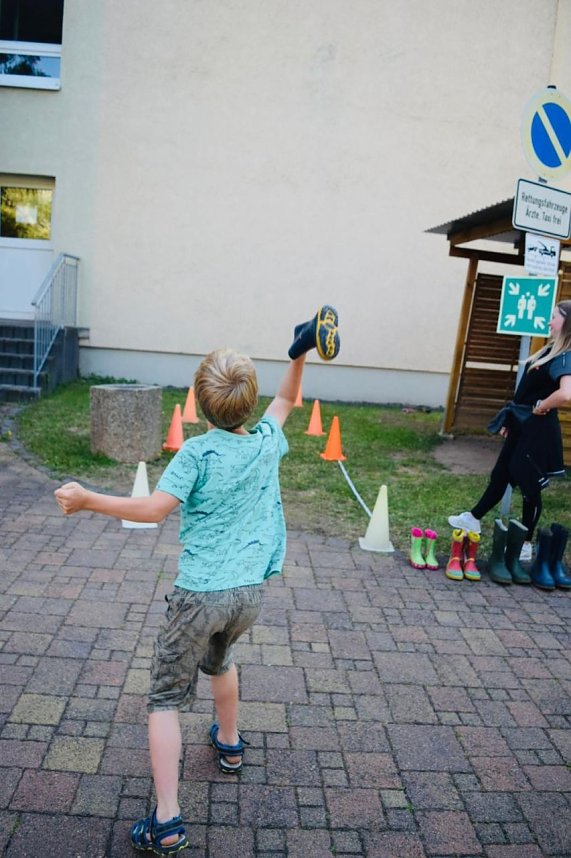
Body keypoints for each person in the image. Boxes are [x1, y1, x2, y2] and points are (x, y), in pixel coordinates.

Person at [54, 305, 339, 855]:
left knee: (164, 697)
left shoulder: (198, 452)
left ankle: (167, 821)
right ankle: (229, 744)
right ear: (247, 402)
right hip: (248, 594)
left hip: (200, 595)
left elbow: (156, 509)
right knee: (222, 661)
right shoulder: (263, 440)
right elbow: (286, 401)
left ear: (202, 403)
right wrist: (299, 352)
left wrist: (89, 499)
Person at [448, 300, 571, 573]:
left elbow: (566, 393)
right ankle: (473, 518)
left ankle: (525, 543)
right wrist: (513, 419)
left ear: (567, 322)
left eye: (554, 317)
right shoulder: (550, 351)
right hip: (522, 425)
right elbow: (526, 391)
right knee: (501, 473)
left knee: (528, 485)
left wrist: (542, 405)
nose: (549, 322)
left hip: (537, 431)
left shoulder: (565, 355)